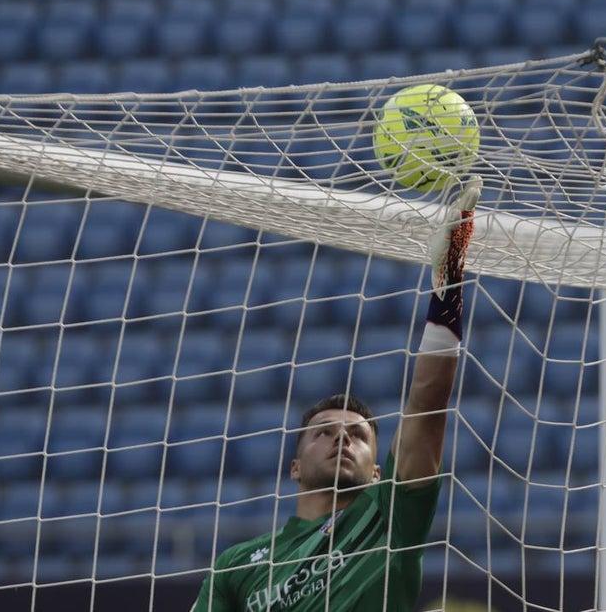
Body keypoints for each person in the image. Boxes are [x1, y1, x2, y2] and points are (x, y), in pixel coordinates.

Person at [191, 178, 481, 612]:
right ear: (294, 466)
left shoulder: (388, 517)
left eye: (359, 435)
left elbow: (427, 402)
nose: (343, 438)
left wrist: (449, 277)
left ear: (379, 473)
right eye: (324, 432)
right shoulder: (237, 566)